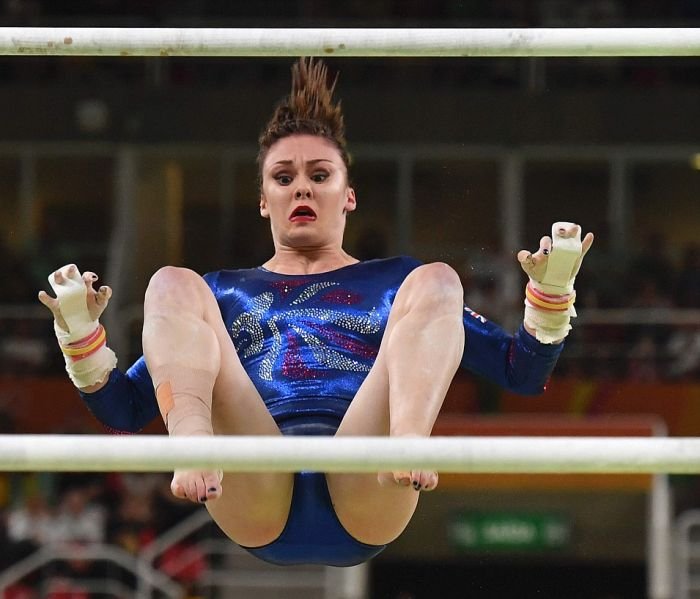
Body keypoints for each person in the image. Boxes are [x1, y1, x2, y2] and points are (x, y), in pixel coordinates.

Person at [38, 58, 594, 567]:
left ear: (349, 194)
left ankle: (408, 440)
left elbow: (522, 375)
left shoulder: (400, 285)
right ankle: (194, 447)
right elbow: (124, 410)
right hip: (251, 478)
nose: (301, 187)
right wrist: (80, 336)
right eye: (283, 178)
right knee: (171, 283)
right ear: (264, 200)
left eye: (320, 175)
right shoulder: (218, 294)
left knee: (437, 277)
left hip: (368, 476)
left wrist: (550, 299)